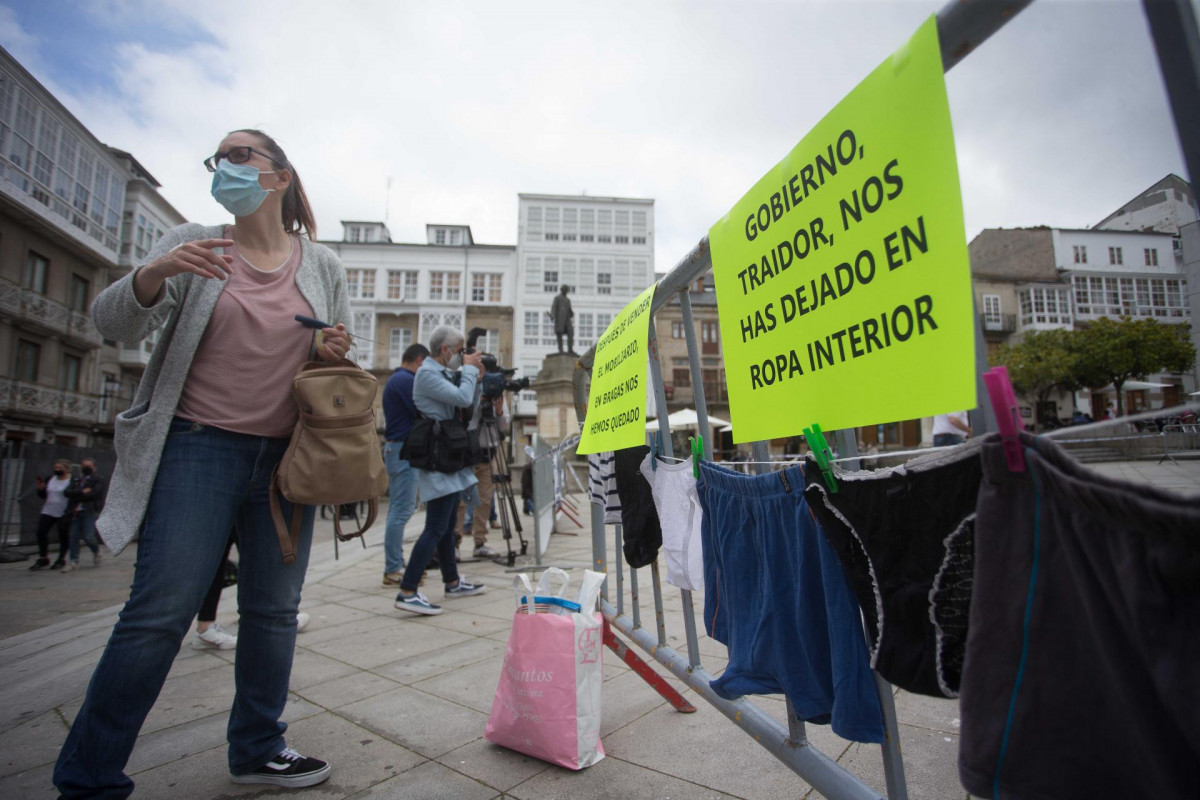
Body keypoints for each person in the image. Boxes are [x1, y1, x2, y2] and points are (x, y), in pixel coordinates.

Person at [54, 128, 349, 797]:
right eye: (219, 158)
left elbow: (332, 355)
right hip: (197, 448)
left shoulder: (321, 264)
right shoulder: (195, 243)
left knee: (274, 611)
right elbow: (113, 324)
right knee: (159, 612)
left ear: (279, 177)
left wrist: (330, 351)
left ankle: (257, 748)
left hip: (287, 464)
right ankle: (89, 777)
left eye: (241, 155)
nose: (225, 165)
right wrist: (154, 274)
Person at [393, 326, 487, 616]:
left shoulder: (443, 372)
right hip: (437, 456)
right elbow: (461, 398)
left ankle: (452, 582)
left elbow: (468, 405)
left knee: (445, 527)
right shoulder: (427, 374)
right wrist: (468, 371)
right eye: (459, 351)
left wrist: (476, 377)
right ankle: (407, 591)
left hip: (447, 452)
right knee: (435, 527)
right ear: (445, 349)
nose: (462, 356)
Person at [380, 343, 429, 588]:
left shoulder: (396, 379)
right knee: (401, 510)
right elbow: (423, 409)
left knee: (397, 510)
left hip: (397, 449)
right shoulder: (405, 380)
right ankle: (393, 568)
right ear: (419, 360)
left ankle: (396, 563)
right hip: (403, 450)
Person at [456, 392, 509, 559]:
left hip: (488, 454)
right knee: (461, 502)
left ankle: (480, 543)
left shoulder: (497, 394)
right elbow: (462, 420)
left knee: (485, 500)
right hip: (467, 453)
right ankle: (454, 543)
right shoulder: (469, 389)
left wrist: (499, 411)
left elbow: (504, 427)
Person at [61, 458, 105, 572]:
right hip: (75, 511)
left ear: (94, 468)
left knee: (88, 536)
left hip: (90, 511)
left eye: (88, 466)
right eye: (84, 466)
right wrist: (81, 492)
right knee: (73, 536)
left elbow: (94, 494)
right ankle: (73, 561)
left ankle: (96, 550)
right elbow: (67, 492)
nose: (86, 468)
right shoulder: (76, 479)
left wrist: (76, 495)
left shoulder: (98, 480)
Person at [30, 459, 72, 570]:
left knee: (63, 535)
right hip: (48, 510)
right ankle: (43, 557)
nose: (57, 470)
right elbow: (44, 495)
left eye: (60, 468)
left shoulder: (71, 480)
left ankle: (61, 558)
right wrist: (40, 489)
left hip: (64, 511)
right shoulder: (50, 479)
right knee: (41, 532)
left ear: (67, 469)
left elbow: (75, 494)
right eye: (55, 468)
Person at [549, 284, 575, 354]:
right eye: (565, 290)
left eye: (567, 290)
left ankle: (570, 349)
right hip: (560, 319)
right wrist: (552, 315)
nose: (566, 292)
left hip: (567, 319)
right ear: (562, 290)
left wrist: (571, 313)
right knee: (559, 334)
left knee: (571, 333)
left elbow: (569, 309)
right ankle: (560, 349)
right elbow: (554, 307)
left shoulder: (568, 300)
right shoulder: (557, 298)